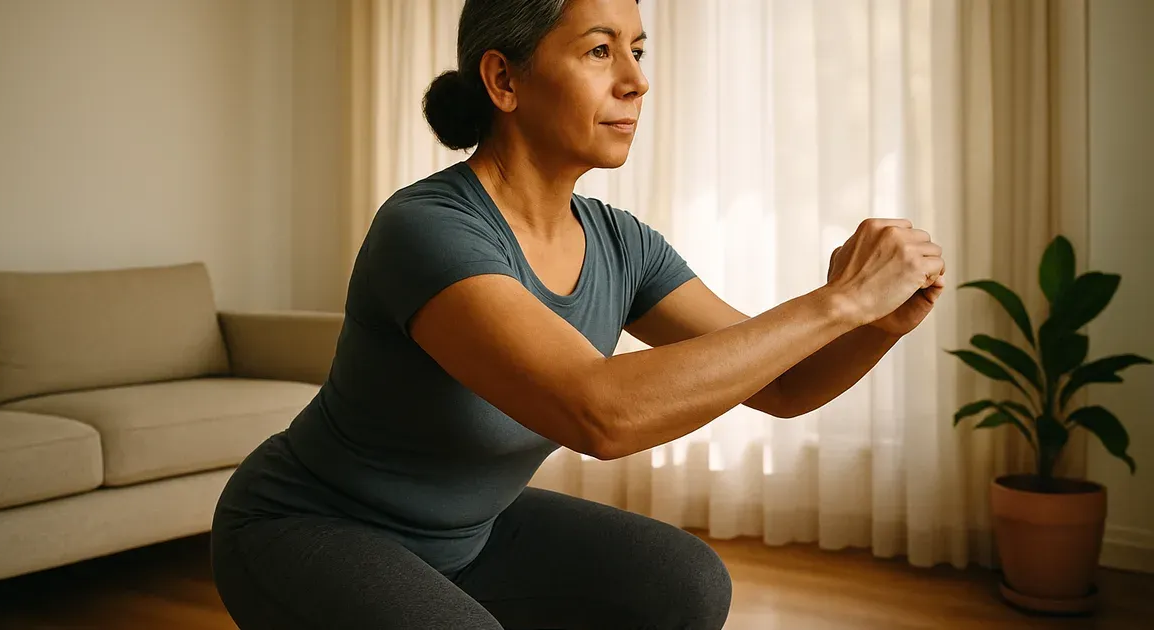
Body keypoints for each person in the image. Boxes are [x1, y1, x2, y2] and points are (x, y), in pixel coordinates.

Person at [209, 0, 946, 627]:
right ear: (504, 79)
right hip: (306, 526)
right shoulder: (428, 228)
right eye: (600, 51)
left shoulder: (621, 244)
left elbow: (784, 388)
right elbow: (599, 413)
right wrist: (840, 300)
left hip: (471, 533)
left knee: (684, 584)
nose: (637, 80)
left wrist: (874, 325)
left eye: (638, 49)